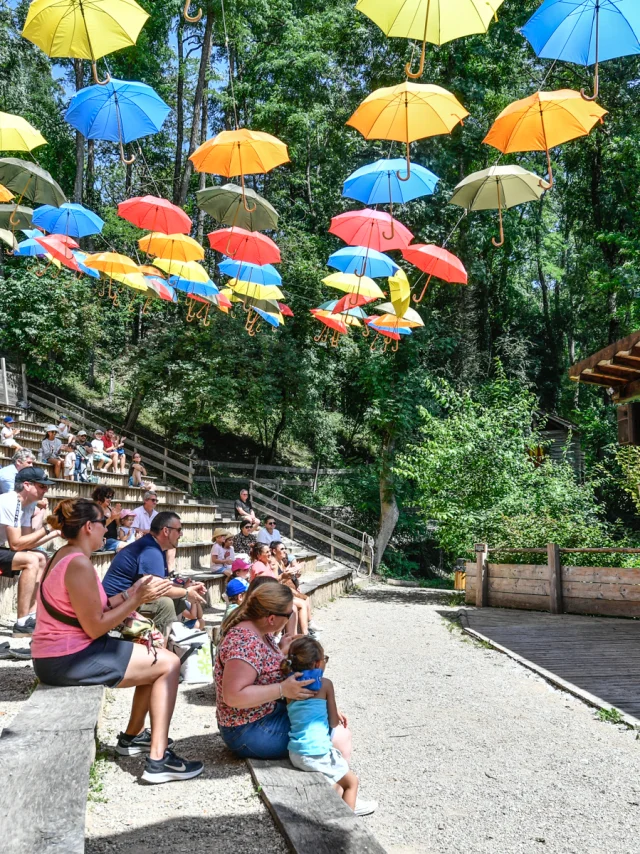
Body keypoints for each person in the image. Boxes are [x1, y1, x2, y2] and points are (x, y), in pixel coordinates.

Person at [30, 497, 204, 784]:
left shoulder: (65, 555)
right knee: (169, 664)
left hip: (61, 654)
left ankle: (132, 739)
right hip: (68, 658)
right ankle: (158, 762)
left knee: (156, 658)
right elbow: (96, 627)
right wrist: (137, 597)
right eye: (104, 524)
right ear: (88, 527)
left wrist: (130, 594)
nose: (107, 531)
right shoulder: (78, 564)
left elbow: (95, 607)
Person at [215, 583, 317, 759]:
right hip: (248, 729)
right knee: (326, 733)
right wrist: (283, 689)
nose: (290, 616)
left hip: (262, 716)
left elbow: (260, 666)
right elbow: (233, 696)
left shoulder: (261, 630)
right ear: (271, 618)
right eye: (288, 614)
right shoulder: (245, 642)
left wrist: (281, 650)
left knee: (323, 720)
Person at [282, 636, 376, 816]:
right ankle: (348, 821)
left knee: (337, 786)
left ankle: (341, 805)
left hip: (295, 753)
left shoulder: (289, 686)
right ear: (317, 664)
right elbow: (334, 722)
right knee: (352, 782)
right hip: (316, 754)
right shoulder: (326, 685)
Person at [102, 511, 206, 636]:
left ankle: (170, 638)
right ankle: (159, 650)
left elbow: (159, 583)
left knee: (177, 598)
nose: (181, 534)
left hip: (126, 599)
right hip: (116, 604)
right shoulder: (151, 550)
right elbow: (157, 588)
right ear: (166, 531)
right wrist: (187, 592)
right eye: (178, 530)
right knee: (165, 604)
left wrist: (184, 588)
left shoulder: (153, 546)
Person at [0, 466, 59, 636]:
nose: (46, 489)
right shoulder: (10, 501)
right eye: (42, 486)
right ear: (27, 485)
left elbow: (27, 543)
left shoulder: (27, 504)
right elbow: (16, 545)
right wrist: (48, 528)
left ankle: (30, 617)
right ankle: (21, 622)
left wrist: (56, 532)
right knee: (31, 560)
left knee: (40, 556)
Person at [92, 485, 123, 552]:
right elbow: (98, 527)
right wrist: (111, 518)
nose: (110, 499)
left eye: (111, 497)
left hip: (113, 540)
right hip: (104, 541)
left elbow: (118, 525)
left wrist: (117, 518)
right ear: (99, 496)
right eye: (107, 497)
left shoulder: (111, 509)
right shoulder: (95, 509)